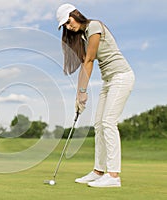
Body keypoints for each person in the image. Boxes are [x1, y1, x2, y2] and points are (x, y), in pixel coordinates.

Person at [56, 3, 135, 187]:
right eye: (65, 25)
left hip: (122, 77)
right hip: (109, 81)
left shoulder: (94, 27)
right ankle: (99, 171)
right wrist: (79, 96)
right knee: (99, 125)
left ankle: (113, 176)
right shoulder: (83, 35)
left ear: (76, 15)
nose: (69, 26)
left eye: (69, 21)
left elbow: (90, 60)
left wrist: (82, 92)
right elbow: (85, 62)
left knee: (108, 122)